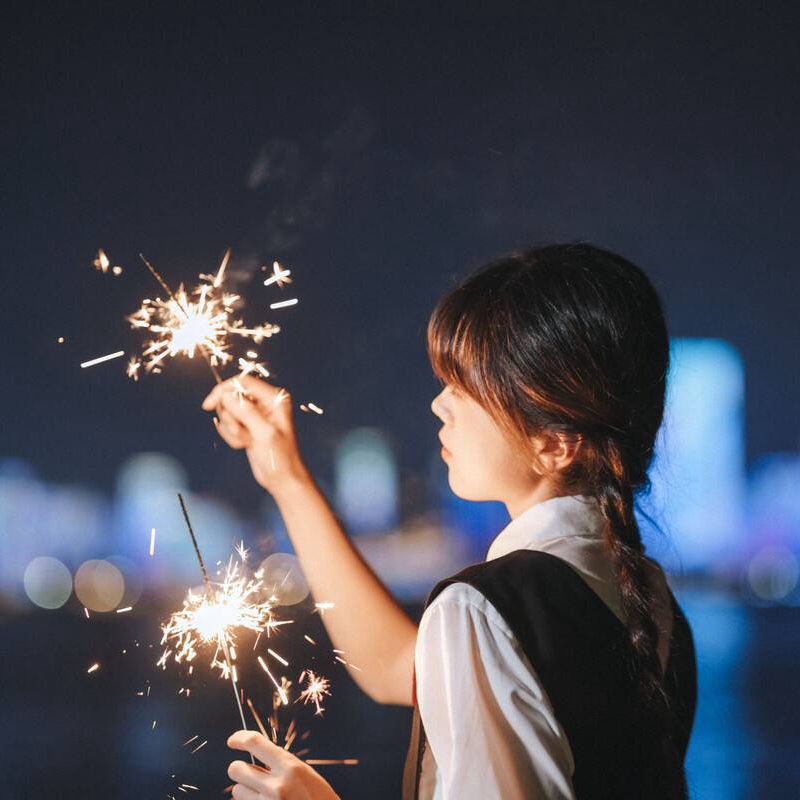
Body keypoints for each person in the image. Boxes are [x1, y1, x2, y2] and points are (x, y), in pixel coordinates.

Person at [203, 242, 697, 800]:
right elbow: (394, 666)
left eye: (466, 387)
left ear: (556, 443)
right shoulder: (648, 597)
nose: (440, 405)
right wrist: (287, 477)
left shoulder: (482, 608)